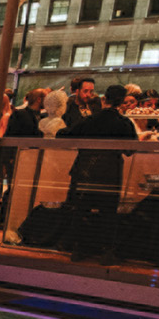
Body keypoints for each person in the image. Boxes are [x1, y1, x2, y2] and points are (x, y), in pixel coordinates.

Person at [57, 83, 138, 264]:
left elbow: (64, 135)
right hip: (110, 172)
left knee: (82, 208)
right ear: (122, 102)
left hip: (85, 170)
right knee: (108, 212)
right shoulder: (124, 123)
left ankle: (78, 248)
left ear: (105, 99)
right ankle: (106, 252)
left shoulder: (91, 120)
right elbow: (130, 150)